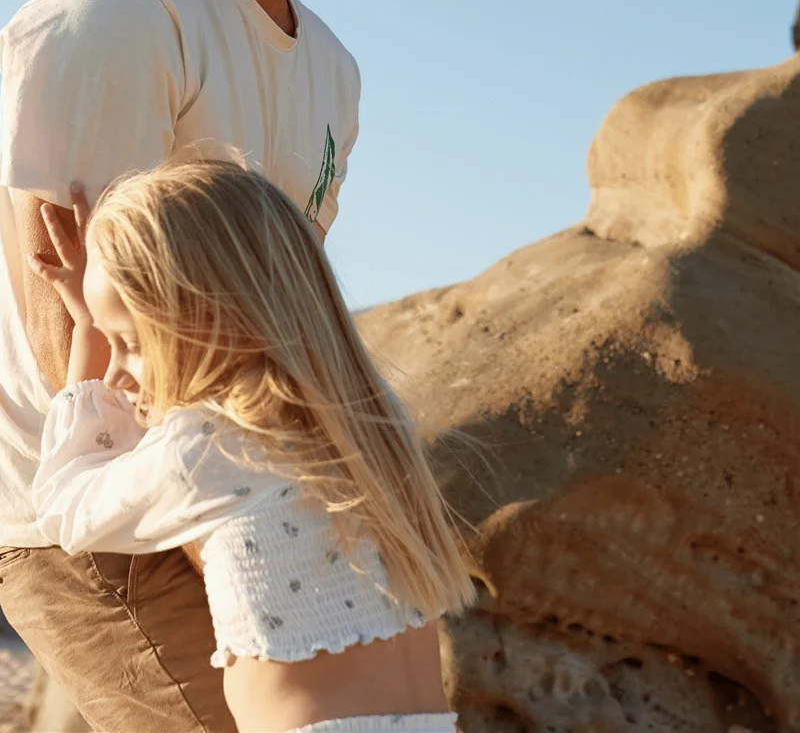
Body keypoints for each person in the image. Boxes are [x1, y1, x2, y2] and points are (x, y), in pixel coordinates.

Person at [0, 0, 376, 731]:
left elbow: (291, 309)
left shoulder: (332, 68)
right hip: (108, 516)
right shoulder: (120, 10)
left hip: (256, 508)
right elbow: (76, 300)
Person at [31, 160, 471, 733]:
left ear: (215, 318)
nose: (118, 375)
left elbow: (66, 507)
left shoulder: (212, 446)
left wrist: (86, 333)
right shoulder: (368, 418)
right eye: (113, 344)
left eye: (133, 343)